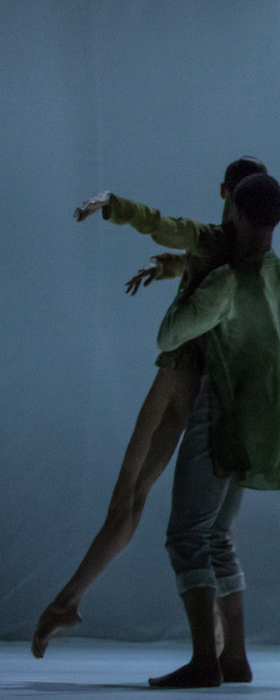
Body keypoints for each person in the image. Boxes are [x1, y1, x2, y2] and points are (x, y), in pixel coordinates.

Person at [33, 158, 268, 658]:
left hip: (181, 376)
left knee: (133, 504)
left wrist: (111, 204)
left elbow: (167, 226)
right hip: (209, 386)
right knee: (194, 526)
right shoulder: (252, 254)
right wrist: (167, 269)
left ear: (227, 192)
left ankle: (67, 603)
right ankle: (226, 651)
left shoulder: (217, 237)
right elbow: (193, 254)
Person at [147, 172, 280, 689]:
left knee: (186, 535)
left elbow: (169, 335)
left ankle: (203, 660)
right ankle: (235, 656)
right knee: (217, 537)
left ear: (233, 210)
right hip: (267, 419)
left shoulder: (226, 281)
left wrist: (193, 274)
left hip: (224, 411)